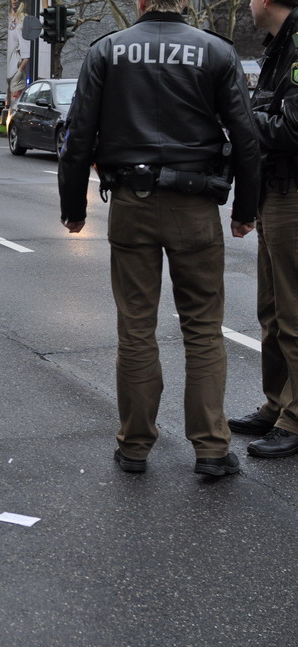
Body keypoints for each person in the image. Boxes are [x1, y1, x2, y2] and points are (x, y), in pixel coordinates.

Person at [58, 0, 261, 475]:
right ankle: (211, 447)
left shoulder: (106, 51)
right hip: (195, 205)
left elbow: (78, 137)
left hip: (132, 202)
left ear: (140, 3)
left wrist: (72, 209)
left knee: (135, 328)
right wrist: (246, 209)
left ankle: (134, 445)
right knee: (204, 329)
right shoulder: (216, 51)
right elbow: (246, 137)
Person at [227, 0, 298, 459]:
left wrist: (236, 118)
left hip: (294, 193)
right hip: (277, 190)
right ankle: (276, 405)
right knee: (271, 313)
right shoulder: (279, 45)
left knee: (293, 316)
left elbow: (292, 127)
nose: (248, 3)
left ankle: (295, 417)